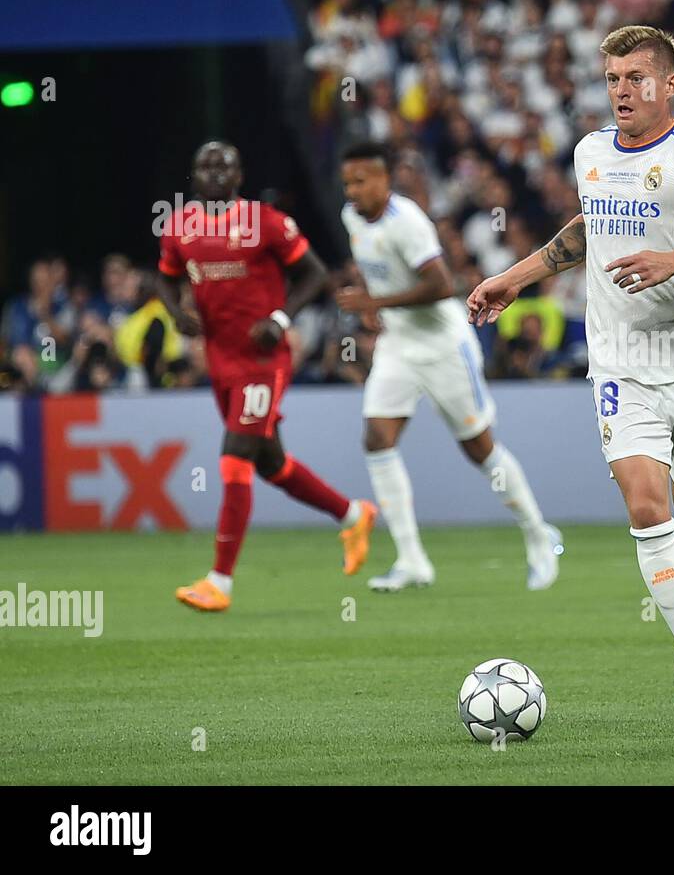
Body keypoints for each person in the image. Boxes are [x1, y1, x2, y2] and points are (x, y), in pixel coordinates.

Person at [468, 25, 674, 732]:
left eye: (637, 77)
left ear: (670, 84)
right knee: (646, 509)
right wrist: (515, 277)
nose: (623, 91)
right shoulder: (591, 152)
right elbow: (589, 226)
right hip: (619, 366)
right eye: (612, 79)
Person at [158, 141, 376, 612]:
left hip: (262, 361)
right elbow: (162, 276)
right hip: (221, 361)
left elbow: (316, 274)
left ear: (239, 176)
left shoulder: (266, 222)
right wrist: (177, 312)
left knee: (235, 456)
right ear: (194, 175)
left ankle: (220, 580)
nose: (214, 173)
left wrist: (279, 320)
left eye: (225, 166)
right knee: (270, 463)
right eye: (205, 166)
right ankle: (354, 514)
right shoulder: (179, 226)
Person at [336, 141, 562, 592]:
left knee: (479, 450)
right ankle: (412, 559)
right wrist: (372, 304)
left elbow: (442, 285)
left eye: (361, 181)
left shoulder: (409, 225)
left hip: (443, 345)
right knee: (377, 439)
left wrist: (374, 301)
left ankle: (538, 533)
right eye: (347, 183)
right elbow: (378, 270)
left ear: (384, 180)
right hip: (399, 343)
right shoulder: (351, 218)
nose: (353, 191)